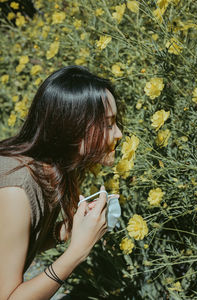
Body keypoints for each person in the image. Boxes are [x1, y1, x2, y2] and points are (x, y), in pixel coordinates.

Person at [0, 65, 123, 300]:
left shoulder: (52, 170)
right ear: (73, 127)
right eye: (108, 124)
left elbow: (16, 244)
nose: (118, 134)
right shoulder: (16, 190)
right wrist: (78, 250)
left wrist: (67, 230)